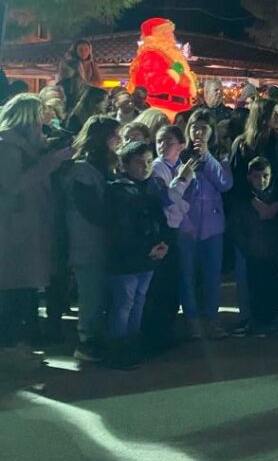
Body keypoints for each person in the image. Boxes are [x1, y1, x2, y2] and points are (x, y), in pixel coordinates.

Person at [0, 94, 72, 346]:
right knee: (16, 284)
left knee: (27, 285)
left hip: (31, 225)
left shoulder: (27, 144)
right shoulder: (6, 146)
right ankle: (16, 339)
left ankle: (26, 335)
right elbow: (12, 185)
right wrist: (50, 161)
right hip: (15, 227)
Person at [104, 141, 169, 369]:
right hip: (126, 259)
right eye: (140, 162)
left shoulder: (150, 188)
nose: (146, 167)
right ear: (125, 164)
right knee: (124, 303)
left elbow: (159, 220)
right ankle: (118, 350)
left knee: (138, 302)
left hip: (147, 257)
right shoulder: (119, 191)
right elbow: (121, 230)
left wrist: (162, 243)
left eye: (149, 162)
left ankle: (132, 346)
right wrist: (146, 248)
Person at [61, 115, 121, 361]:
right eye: (115, 135)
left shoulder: (103, 165)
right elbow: (92, 211)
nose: (119, 139)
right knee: (91, 293)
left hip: (101, 240)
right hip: (87, 241)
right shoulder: (83, 169)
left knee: (99, 292)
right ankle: (87, 341)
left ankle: (97, 336)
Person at [177, 111, 233, 340]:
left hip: (212, 225)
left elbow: (225, 183)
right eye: (195, 127)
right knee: (187, 274)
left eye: (204, 128)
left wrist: (208, 156)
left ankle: (212, 317)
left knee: (212, 275)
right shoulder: (181, 153)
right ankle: (191, 319)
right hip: (187, 224)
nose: (198, 132)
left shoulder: (219, 154)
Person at [143, 124, 198, 352]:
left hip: (175, 230)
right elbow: (166, 201)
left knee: (173, 283)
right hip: (161, 230)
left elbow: (186, 202)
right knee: (159, 284)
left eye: (168, 141)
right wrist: (180, 184)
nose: (162, 146)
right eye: (159, 141)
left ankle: (167, 329)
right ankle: (154, 335)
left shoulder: (184, 168)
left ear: (181, 145)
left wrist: (178, 194)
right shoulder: (156, 168)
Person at [230, 157, 278, 337]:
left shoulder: (277, 199)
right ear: (249, 177)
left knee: (273, 287)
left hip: (272, 251)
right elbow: (236, 228)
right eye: (257, 176)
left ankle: (271, 319)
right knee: (254, 288)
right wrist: (246, 247)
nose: (261, 180)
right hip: (252, 252)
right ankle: (257, 321)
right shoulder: (244, 201)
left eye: (265, 176)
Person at [58, 39, 104, 110]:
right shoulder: (67, 63)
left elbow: (99, 82)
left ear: (89, 51)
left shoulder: (92, 64)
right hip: (69, 97)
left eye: (86, 49)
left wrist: (86, 84)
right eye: (80, 49)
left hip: (87, 97)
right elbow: (67, 80)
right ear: (75, 50)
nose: (83, 52)